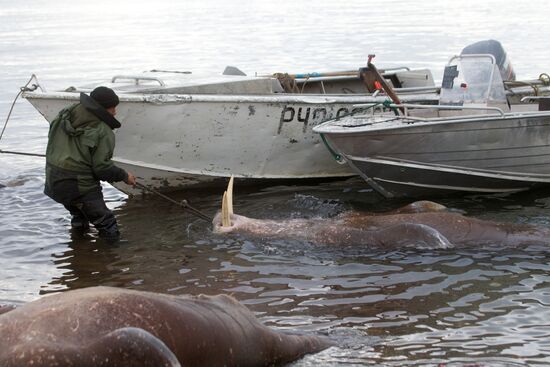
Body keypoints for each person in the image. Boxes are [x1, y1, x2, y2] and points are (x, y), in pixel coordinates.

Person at [44, 86, 136, 241]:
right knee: (107, 224)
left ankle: (79, 254)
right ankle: (114, 259)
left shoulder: (66, 113)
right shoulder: (103, 130)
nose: (115, 112)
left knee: (79, 216)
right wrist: (124, 175)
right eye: (113, 108)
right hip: (79, 187)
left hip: (53, 180)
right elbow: (102, 169)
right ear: (103, 108)